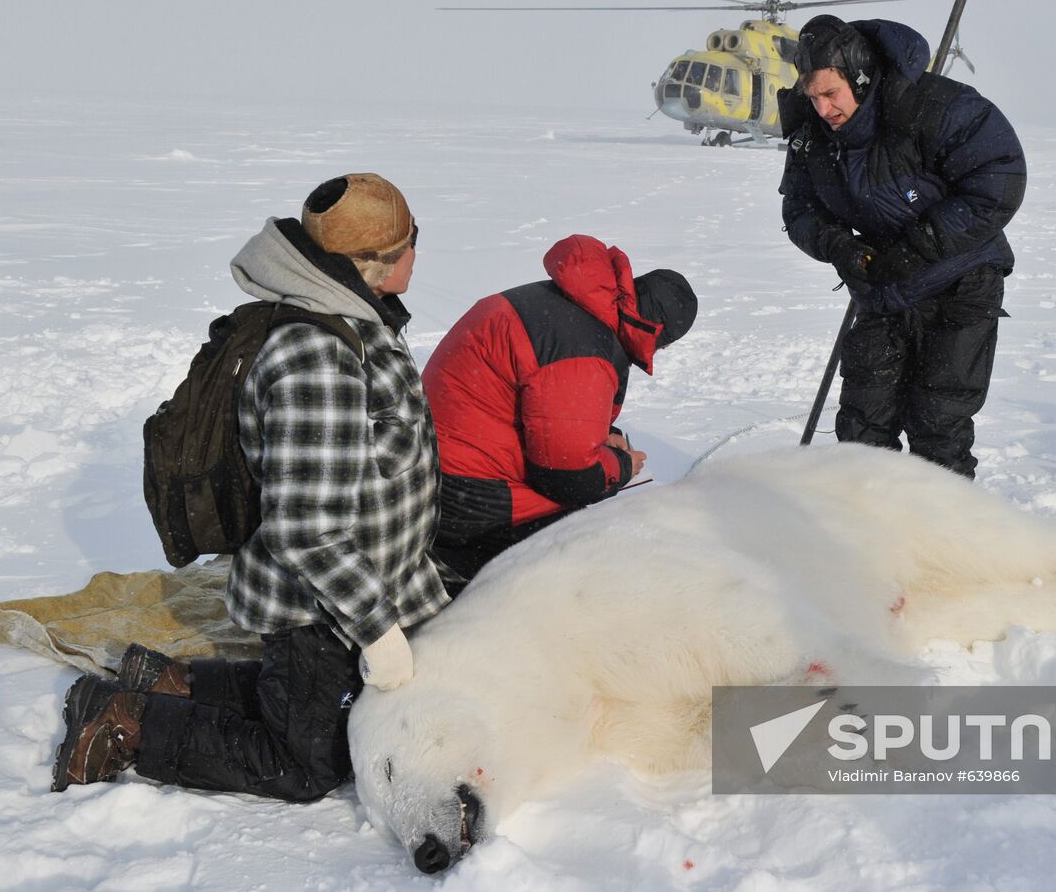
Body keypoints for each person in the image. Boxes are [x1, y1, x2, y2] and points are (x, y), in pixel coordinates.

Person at [52, 173, 455, 799]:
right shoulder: (317, 357)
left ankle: (172, 683)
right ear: (370, 263)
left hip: (359, 591)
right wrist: (378, 630)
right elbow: (308, 531)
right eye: (408, 243)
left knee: (323, 710)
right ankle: (123, 723)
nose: (415, 254)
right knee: (304, 765)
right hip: (319, 611)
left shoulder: (354, 318)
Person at [778, 14, 1027, 478]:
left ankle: (941, 542)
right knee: (862, 431)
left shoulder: (935, 107)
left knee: (937, 427)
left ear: (859, 77)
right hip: (881, 287)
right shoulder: (814, 137)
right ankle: (869, 539)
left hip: (959, 282)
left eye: (831, 94)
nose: (823, 109)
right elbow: (800, 209)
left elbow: (999, 181)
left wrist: (920, 245)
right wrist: (839, 247)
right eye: (813, 98)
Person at [422, 233, 697, 580]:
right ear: (658, 334)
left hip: (435, 465)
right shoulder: (583, 348)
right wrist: (622, 467)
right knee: (590, 549)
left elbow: (546, 407)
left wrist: (602, 437)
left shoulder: (567, 301)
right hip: (468, 498)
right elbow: (567, 477)